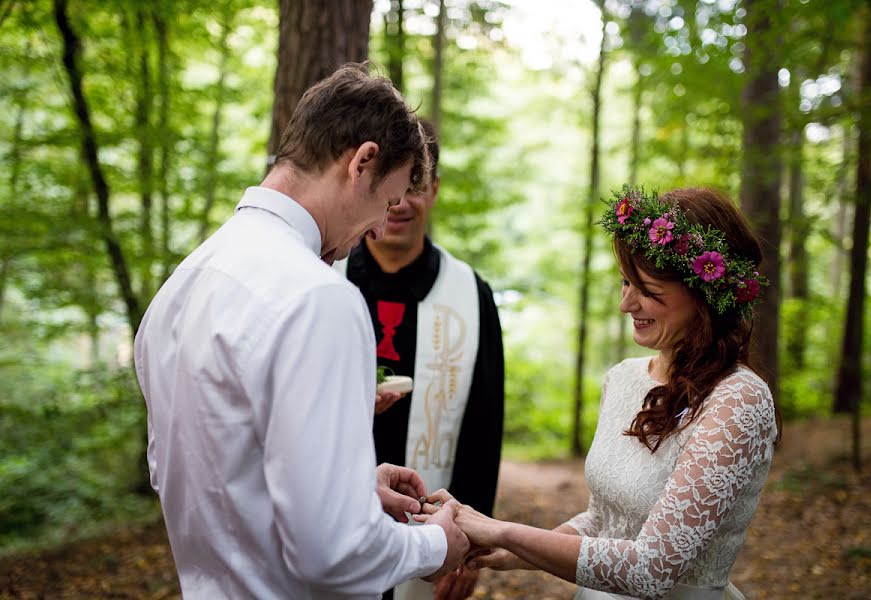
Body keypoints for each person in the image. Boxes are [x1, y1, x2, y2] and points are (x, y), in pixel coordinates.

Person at [133, 63, 471, 599]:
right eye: (386, 202)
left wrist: (348, 489)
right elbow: (332, 554)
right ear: (362, 161)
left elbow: (205, 477)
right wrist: (436, 545)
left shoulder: (183, 284)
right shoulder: (320, 297)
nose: (382, 227)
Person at [419, 186, 780, 600]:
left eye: (645, 288)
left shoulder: (738, 401)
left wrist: (503, 530)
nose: (626, 304)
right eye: (625, 282)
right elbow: (603, 520)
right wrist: (515, 548)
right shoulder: (624, 378)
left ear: (703, 291)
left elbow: (652, 569)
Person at [335, 120, 505, 600]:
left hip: (430, 524)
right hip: (336, 515)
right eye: (395, 187)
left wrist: (469, 542)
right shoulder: (327, 276)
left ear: (435, 188)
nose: (403, 203)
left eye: (418, 187)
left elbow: (483, 425)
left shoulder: (470, 294)